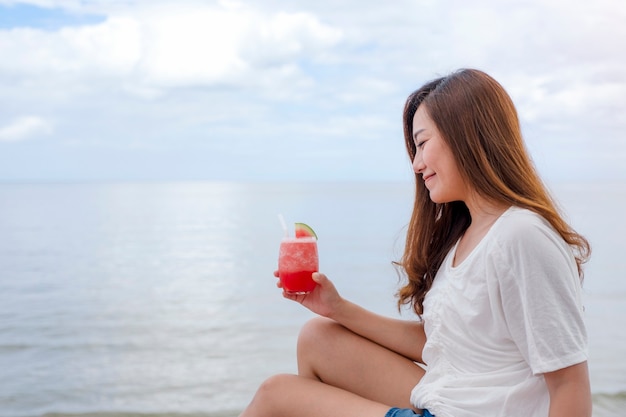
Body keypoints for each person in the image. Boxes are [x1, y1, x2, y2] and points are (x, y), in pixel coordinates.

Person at [238, 68, 591, 417]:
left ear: (466, 135)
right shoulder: (469, 235)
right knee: (318, 337)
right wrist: (336, 307)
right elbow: (447, 346)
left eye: (422, 143)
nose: (417, 164)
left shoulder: (522, 236)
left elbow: (570, 384)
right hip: (451, 395)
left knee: (276, 394)